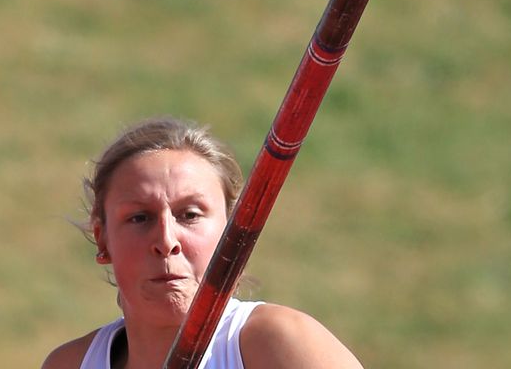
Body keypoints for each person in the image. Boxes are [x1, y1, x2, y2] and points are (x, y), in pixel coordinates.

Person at [42, 117, 363, 369]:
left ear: (231, 234)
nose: (167, 241)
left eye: (190, 215)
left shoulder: (278, 345)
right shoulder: (71, 364)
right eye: (140, 217)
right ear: (103, 239)